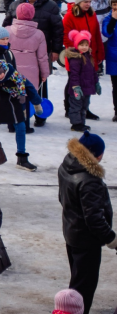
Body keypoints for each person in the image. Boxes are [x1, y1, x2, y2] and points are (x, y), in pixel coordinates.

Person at [58, 131, 116, 312]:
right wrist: (112, 239)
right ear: (96, 155)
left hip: (71, 232)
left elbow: (63, 198)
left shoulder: (67, 165)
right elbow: (94, 218)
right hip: (86, 240)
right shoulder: (90, 179)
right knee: (83, 288)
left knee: (77, 281)